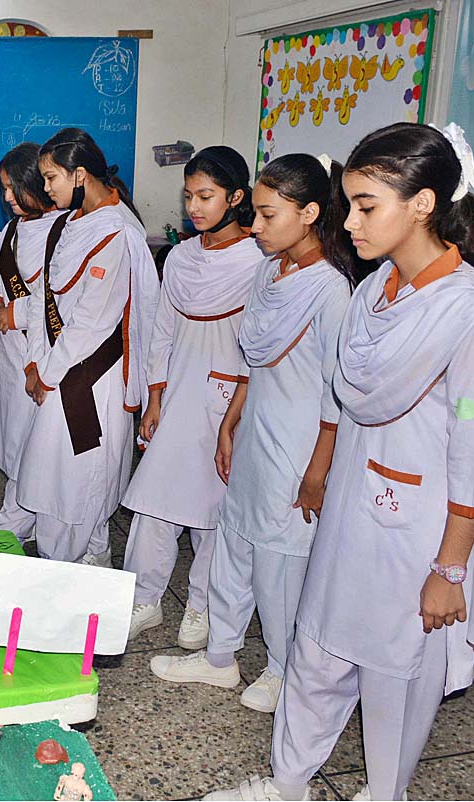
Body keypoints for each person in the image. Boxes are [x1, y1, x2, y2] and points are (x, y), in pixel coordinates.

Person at [208, 122, 474, 802]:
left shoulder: (472, 312)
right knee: (318, 648)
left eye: (366, 205)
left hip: (419, 531)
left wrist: (451, 569)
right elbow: (348, 394)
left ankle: (385, 792)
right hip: (353, 511)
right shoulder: (374, 288)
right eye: (349, 203)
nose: (349, 221)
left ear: (422, 205)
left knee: (394, 675)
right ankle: (288, 781)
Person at [147, 154, 362, 715]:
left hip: (296, 448)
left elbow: (334, 394)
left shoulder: (331, 291)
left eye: (267, 215)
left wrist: (317, 473)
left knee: (280, 569)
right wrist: (229, 422)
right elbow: (254, 363)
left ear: (310, 213)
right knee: (234, 553)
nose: (257, 226)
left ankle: (284, 670)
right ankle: (220, 656)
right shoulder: (270, 270)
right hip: (252, 434)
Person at [122, 145, 262, 645]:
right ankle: (145, 598)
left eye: (206, 195)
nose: (195, 207)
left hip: (228, 398)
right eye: (189, 197)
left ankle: (201, 607)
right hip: (178, 389)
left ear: (236, 196)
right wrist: (154, 398)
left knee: (213, 511)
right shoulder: (179, 257)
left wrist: (237, 412)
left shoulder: (258, 261)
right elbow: (161, 331)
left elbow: (256, 345)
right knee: (155, 500)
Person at [18, 128, 159, 564]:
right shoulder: (67, 223)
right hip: (59, 366)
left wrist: (49, 371)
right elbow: (47, 300)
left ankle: (77, 563)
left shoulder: (116, 231)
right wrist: (35, 362)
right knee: (53, 475)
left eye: (50, 178)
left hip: (91, 376)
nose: (44, 188)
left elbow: (92, 321)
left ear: (79, 175)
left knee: (81, 479)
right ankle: (78, 559)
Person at [0, 142, 66, 544]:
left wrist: (11, 313)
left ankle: (25, 512)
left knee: (35, 436)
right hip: (9, 349)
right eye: (3, 188)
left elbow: (60, 297)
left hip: (42, 350)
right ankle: (18, 505)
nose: (7, 198)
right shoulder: (11, 230)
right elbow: (4, 281)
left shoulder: (64, 229)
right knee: (13, 432)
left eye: (13, 188)